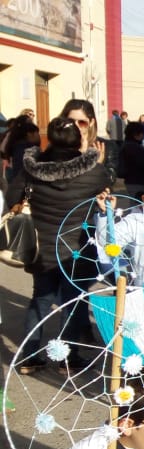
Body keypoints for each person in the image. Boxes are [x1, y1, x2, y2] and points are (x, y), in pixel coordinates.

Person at [6, 117, 112, 375]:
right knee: (74, 300)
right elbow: (107, 192)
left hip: (40, 246)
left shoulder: (31, 168)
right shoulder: (94, 171)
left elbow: (11, 197)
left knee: (40, 300)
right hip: (77, 246)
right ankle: (67, 357)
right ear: (78, 139)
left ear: (49, 139)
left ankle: (30, 356)